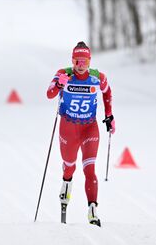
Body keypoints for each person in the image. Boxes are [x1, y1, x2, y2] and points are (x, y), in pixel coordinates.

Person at [46, 41, 115, 226]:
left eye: (84, 61)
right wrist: (59, 85)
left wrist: (109, 115)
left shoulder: (97, 77)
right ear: (72, 61)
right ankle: (66, 183)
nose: (81, 66)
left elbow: (107, 92)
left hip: (89, 128)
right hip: (68, 128)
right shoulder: (64, 73)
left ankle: (92, 209)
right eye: (77, 61)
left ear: (90, 61)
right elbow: (49, 94)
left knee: (90, 169)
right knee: (70, 167)